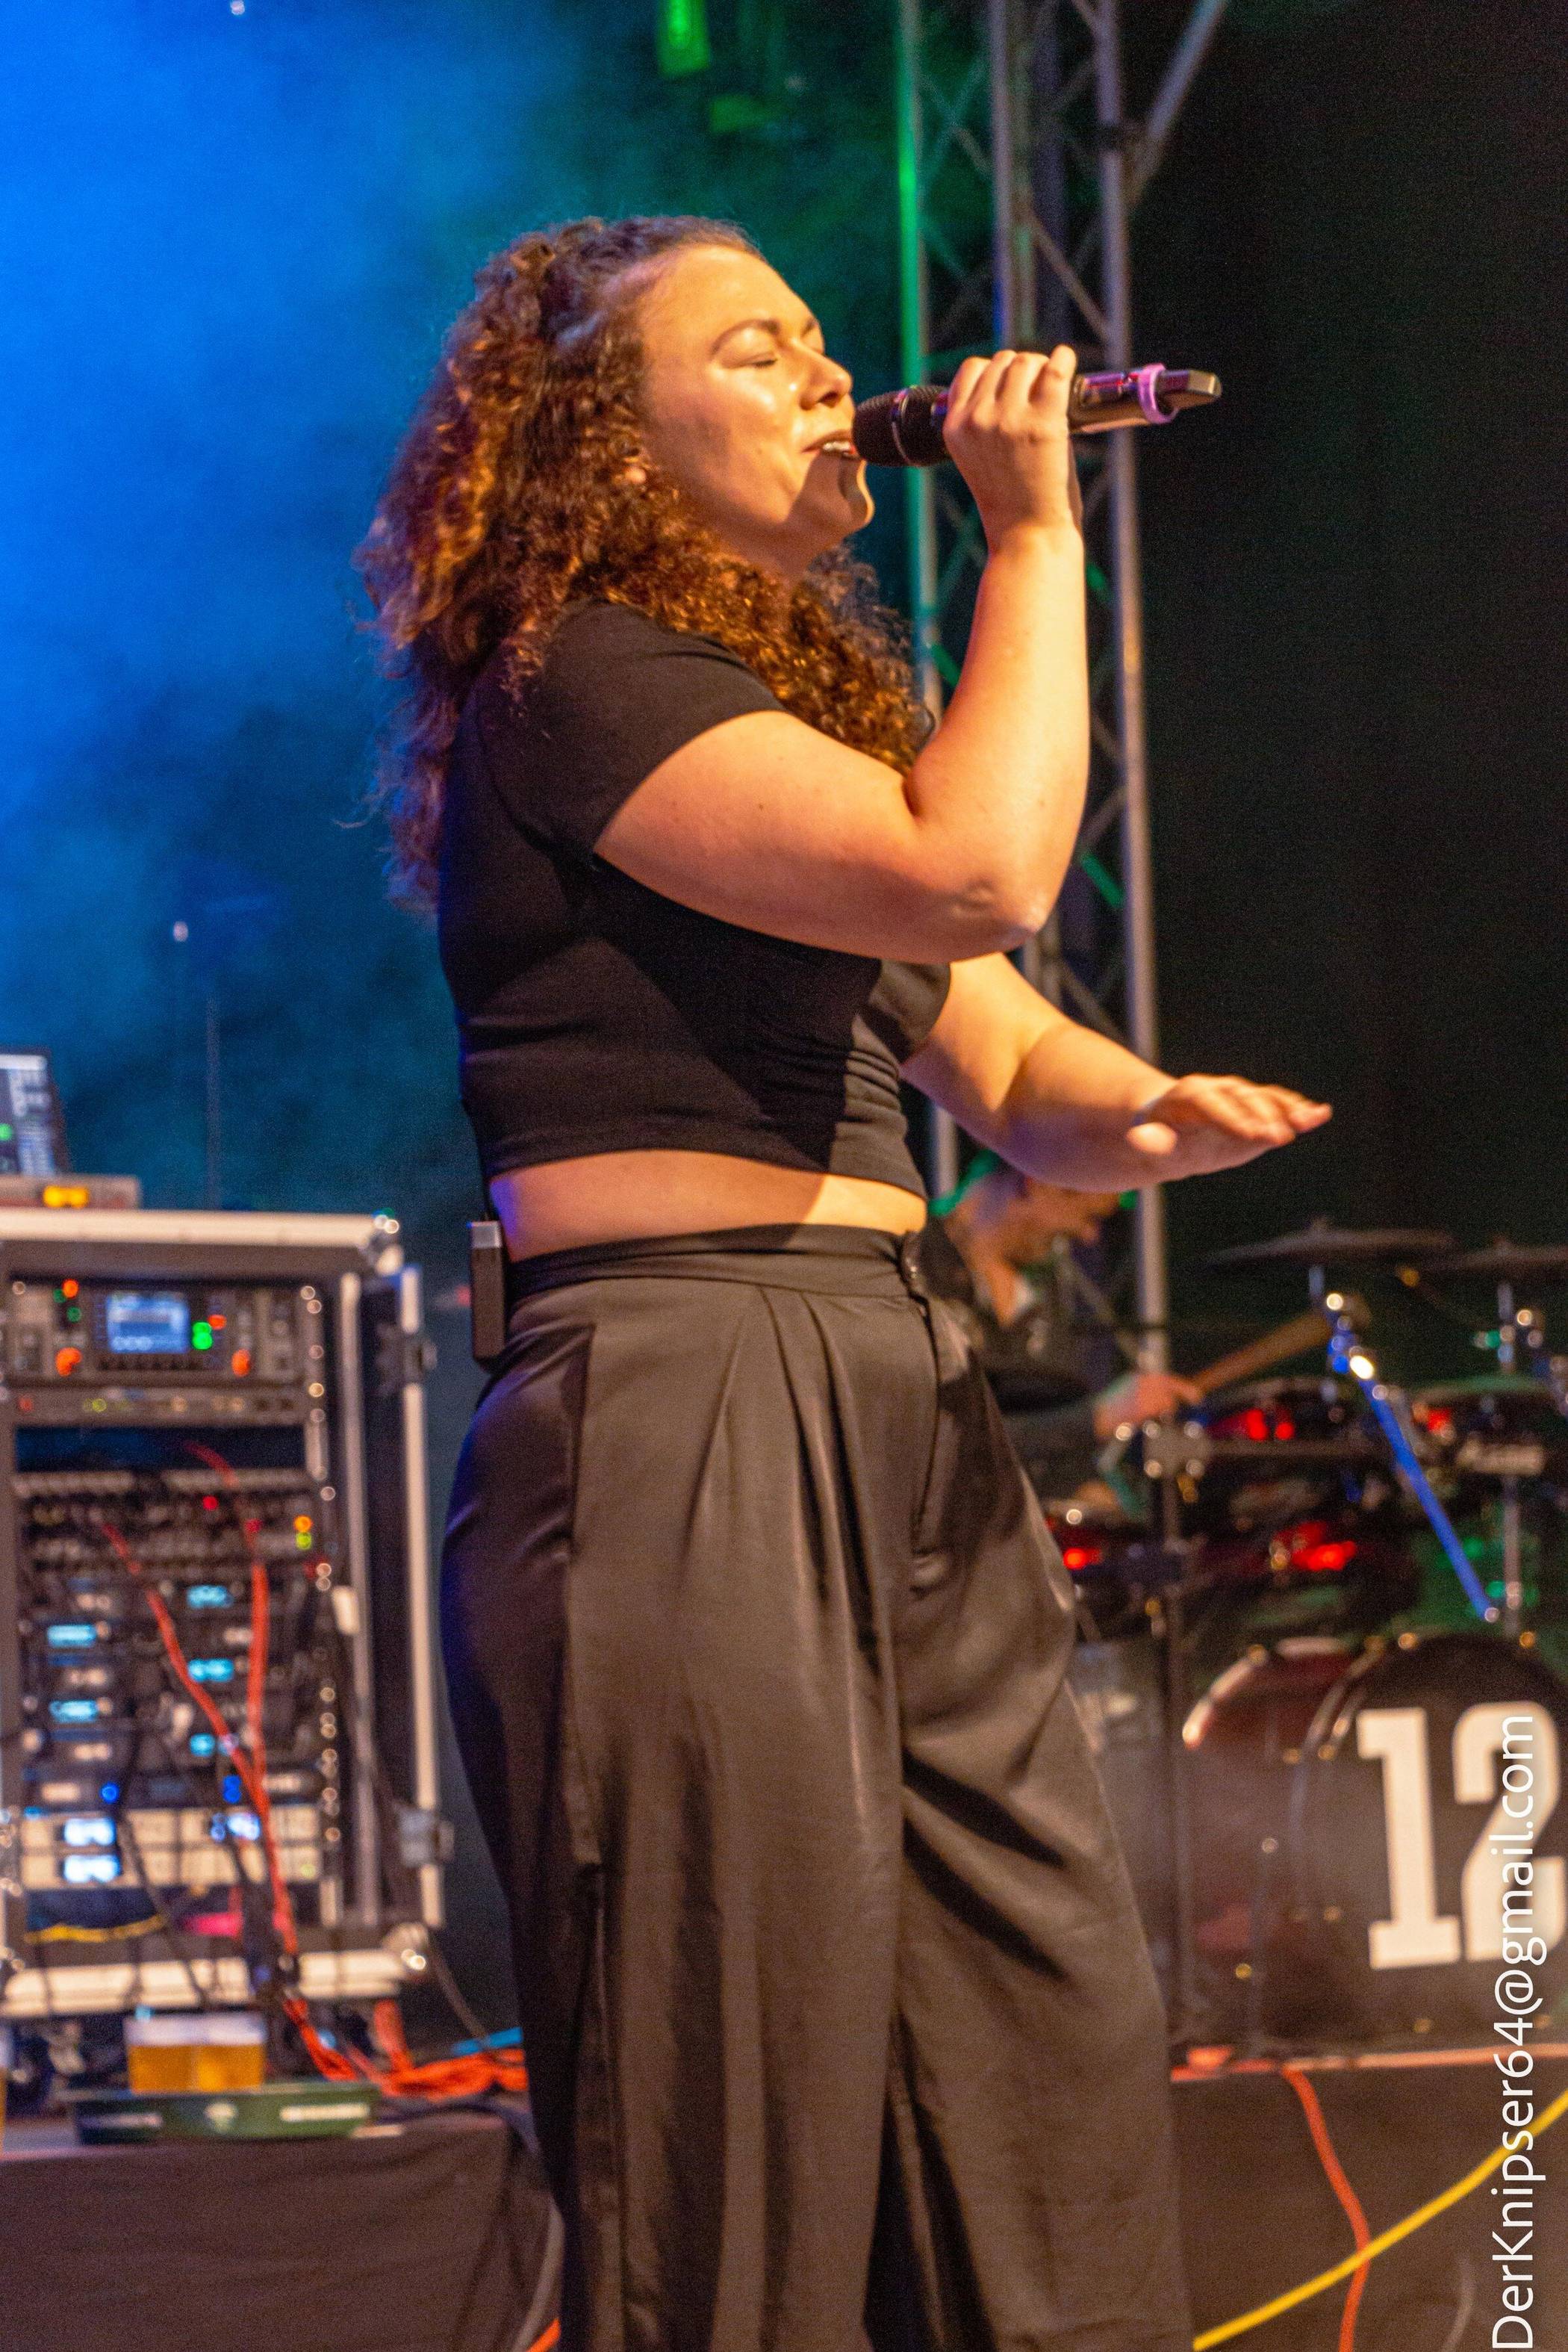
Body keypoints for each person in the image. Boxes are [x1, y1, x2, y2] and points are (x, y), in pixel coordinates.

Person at [358, 213, 1331, 2352]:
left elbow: (1016, 1069)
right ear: (606, 442)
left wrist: (1146, 1114)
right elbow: (974, 866)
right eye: (755, 348)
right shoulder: (577, 673)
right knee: (730, 2102)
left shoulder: (780, 728)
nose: (824, 375)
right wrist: (1034, 537)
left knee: (1040, 2041)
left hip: (900, 1384)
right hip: (688, 1385)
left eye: (820, 337)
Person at [919, 1154, 1200, 1503]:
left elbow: (1042, 1426)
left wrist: (1089, 1489)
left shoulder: (1048, 1287)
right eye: (1089, 1216)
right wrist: (1096, 1419)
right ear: (1035, 1183)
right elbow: (937, 1439)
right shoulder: (912, 1263)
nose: (1088, 1235)